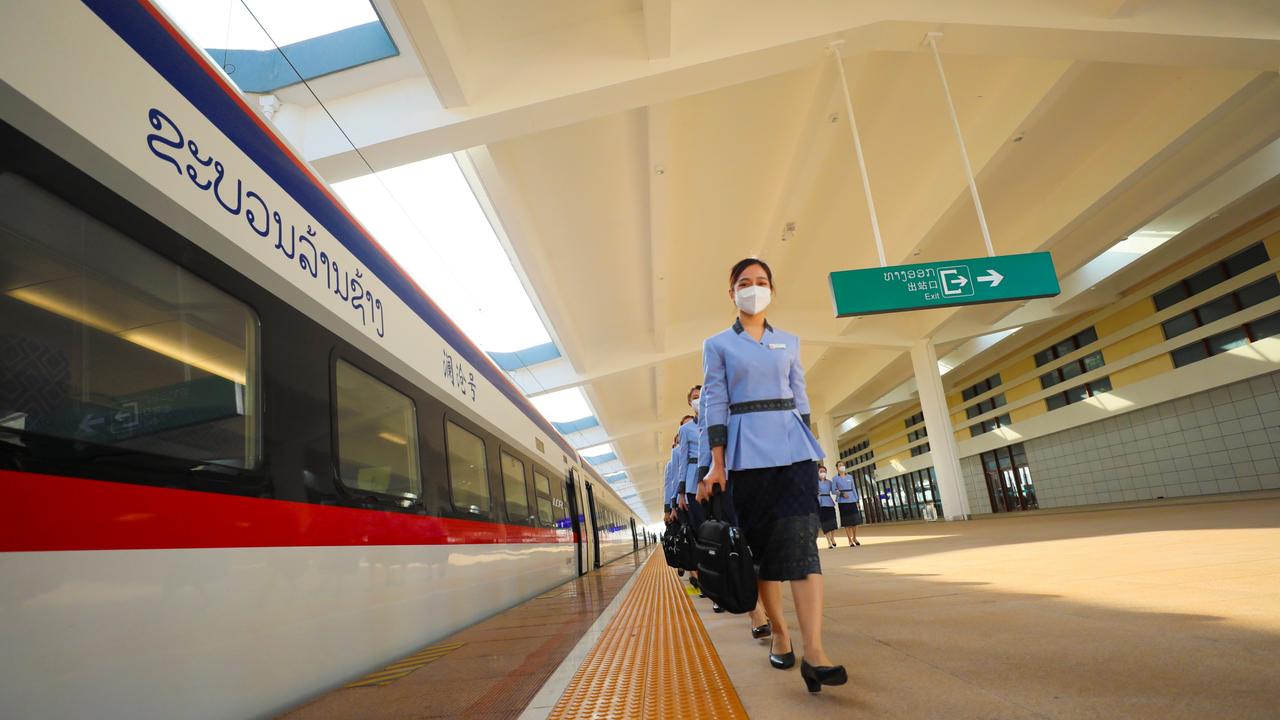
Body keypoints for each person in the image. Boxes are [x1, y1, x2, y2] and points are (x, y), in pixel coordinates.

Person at [698, 257, 847, 693]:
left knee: (804, 546)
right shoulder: (718, 344)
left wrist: (811, 446)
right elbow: (715, 402)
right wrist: (717, 462)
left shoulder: (791, 342)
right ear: (732, 293)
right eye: (745, 283)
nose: (753, 288)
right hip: (747, 456)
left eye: (761, 282)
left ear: (772, 291)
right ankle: (780, 634)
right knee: (761, 553)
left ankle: (815, 653)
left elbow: (801, 399)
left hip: (793, 452)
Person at [834, 462, 862, 547]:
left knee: (855, 521)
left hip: (852, 500)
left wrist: (857, 500)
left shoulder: (850, 477)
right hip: (843, 502)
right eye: (840, 465)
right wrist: (842, 494)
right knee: (847, 522)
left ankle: (854, 537)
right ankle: (849, 539)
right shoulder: (835, 478)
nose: (842, 467)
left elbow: (854, 489)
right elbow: (833, 490)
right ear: (837, 468)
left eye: (843, 465)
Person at [816, 465, 838, 548]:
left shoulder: (829, 482)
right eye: (821, 471)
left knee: (832, 522)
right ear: (818, 473)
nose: (823, 473)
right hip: (821, 504)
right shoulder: (815, 482)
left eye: (824, 471)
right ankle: (828, 541)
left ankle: (832, 538)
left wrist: (840, 492)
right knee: (825, 523)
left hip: (829, 502)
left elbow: (833, 491)